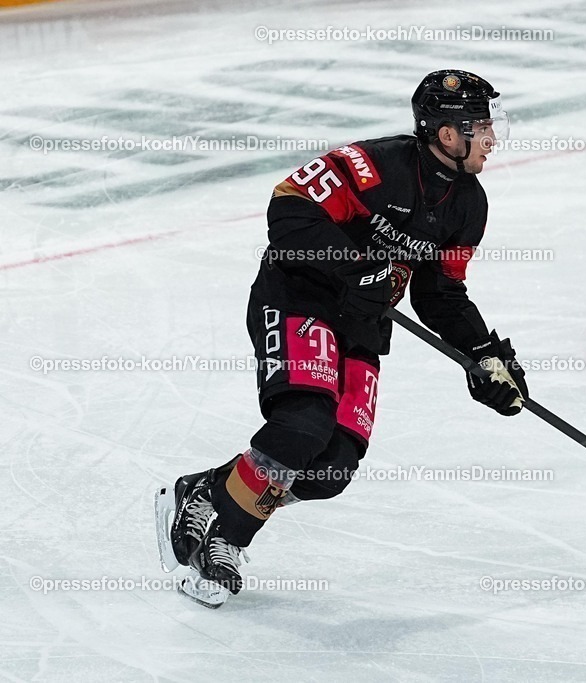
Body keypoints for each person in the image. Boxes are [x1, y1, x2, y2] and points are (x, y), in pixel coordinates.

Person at [155, 70, 528, 606]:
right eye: (482, 127)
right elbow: (288, 207)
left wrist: (484, 355)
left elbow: (440, 292)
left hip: (361, 323)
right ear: (448, 134)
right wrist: (356, 270)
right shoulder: (376, 166)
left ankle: (210, 489)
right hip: (299, 297)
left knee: (331, 467)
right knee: (303, 423)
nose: (492, 139)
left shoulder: (468, 205)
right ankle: (226, 544)